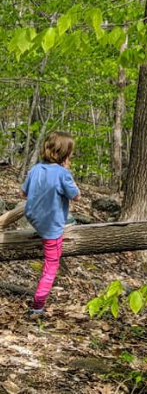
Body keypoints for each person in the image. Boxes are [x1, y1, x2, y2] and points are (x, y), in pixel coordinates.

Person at [20, 131, 81, 315]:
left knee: (68, 218)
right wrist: (66, 173)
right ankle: (37, 305)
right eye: (70, 152)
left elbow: (23, 194)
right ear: (64, 154)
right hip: (51, 226)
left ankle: (49, 226)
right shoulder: (63, 174)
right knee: (51, 266)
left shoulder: (36, 169)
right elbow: (76, 196)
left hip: (33, 217)